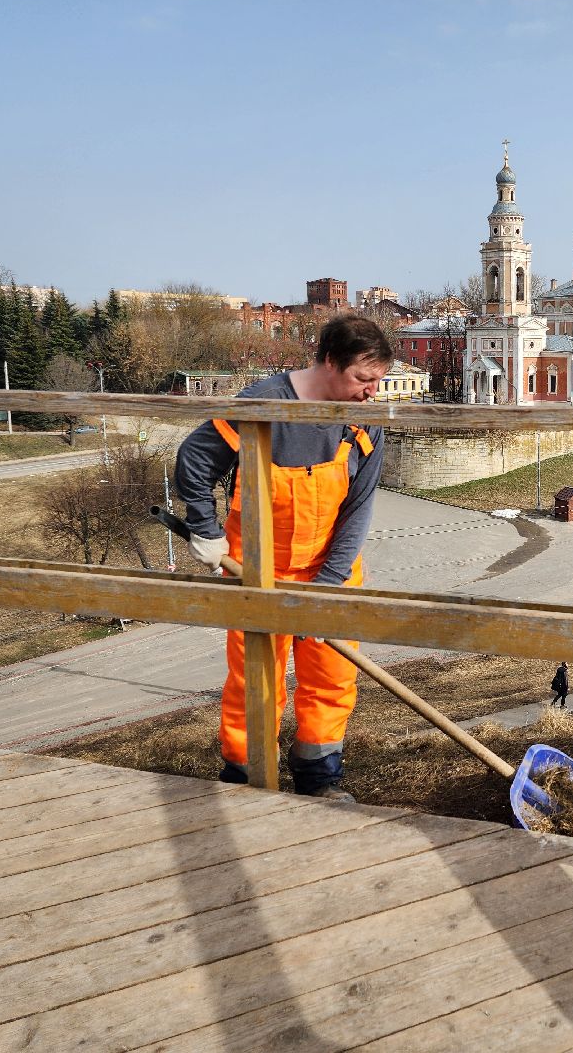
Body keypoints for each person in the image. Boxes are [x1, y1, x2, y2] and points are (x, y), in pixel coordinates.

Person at [174, 314, 394, 800]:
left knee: (332, 675)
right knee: (256, 678)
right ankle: (246, 776)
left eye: (378, 380)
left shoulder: (364, 421)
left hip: (330, 568)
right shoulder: (263, 404)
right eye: (363, 379)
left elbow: (359, 506)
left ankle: (319, 776)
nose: (371, 391)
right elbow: (194, 459)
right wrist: (204, 528)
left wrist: (330, 582)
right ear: (331, 362)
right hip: (256, 568)